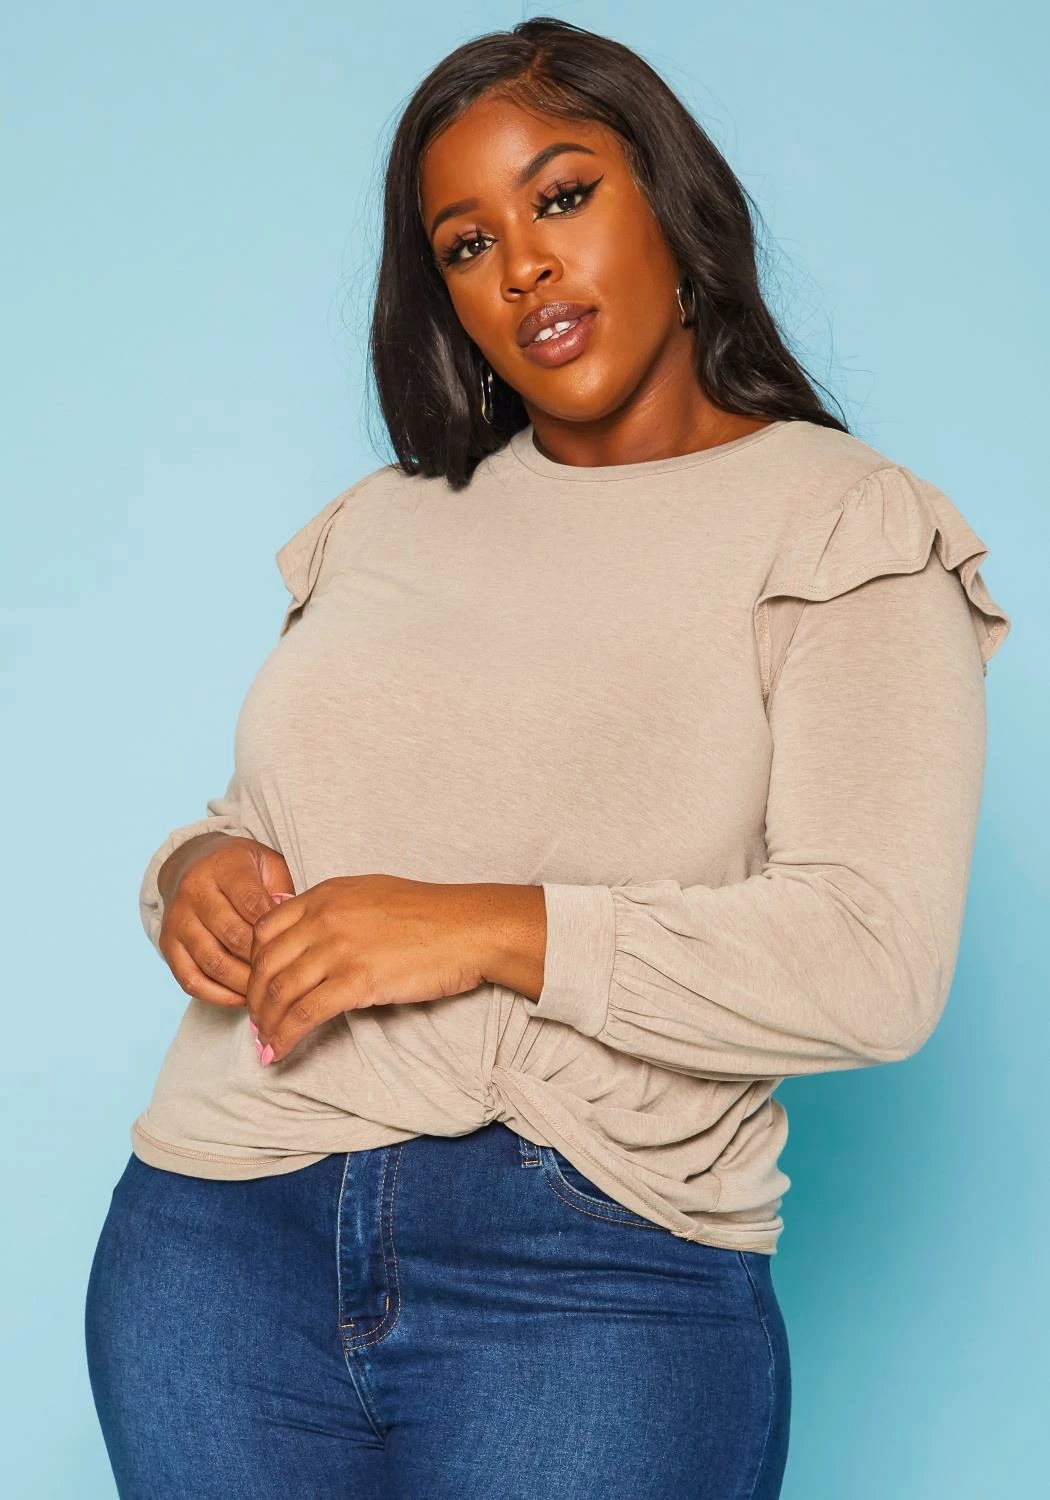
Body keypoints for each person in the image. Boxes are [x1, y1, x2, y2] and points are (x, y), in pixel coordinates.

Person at [84, 16, 1011, 1500]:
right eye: (467, 243)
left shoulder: (843, 527)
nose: (521, 267)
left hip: (593, 1266)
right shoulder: (384, 522)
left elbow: (872, 962)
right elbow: (267, 811)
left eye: (562, 197)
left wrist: (482, 928)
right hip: (216, 1233)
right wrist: (194, 873)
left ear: (671, 205)